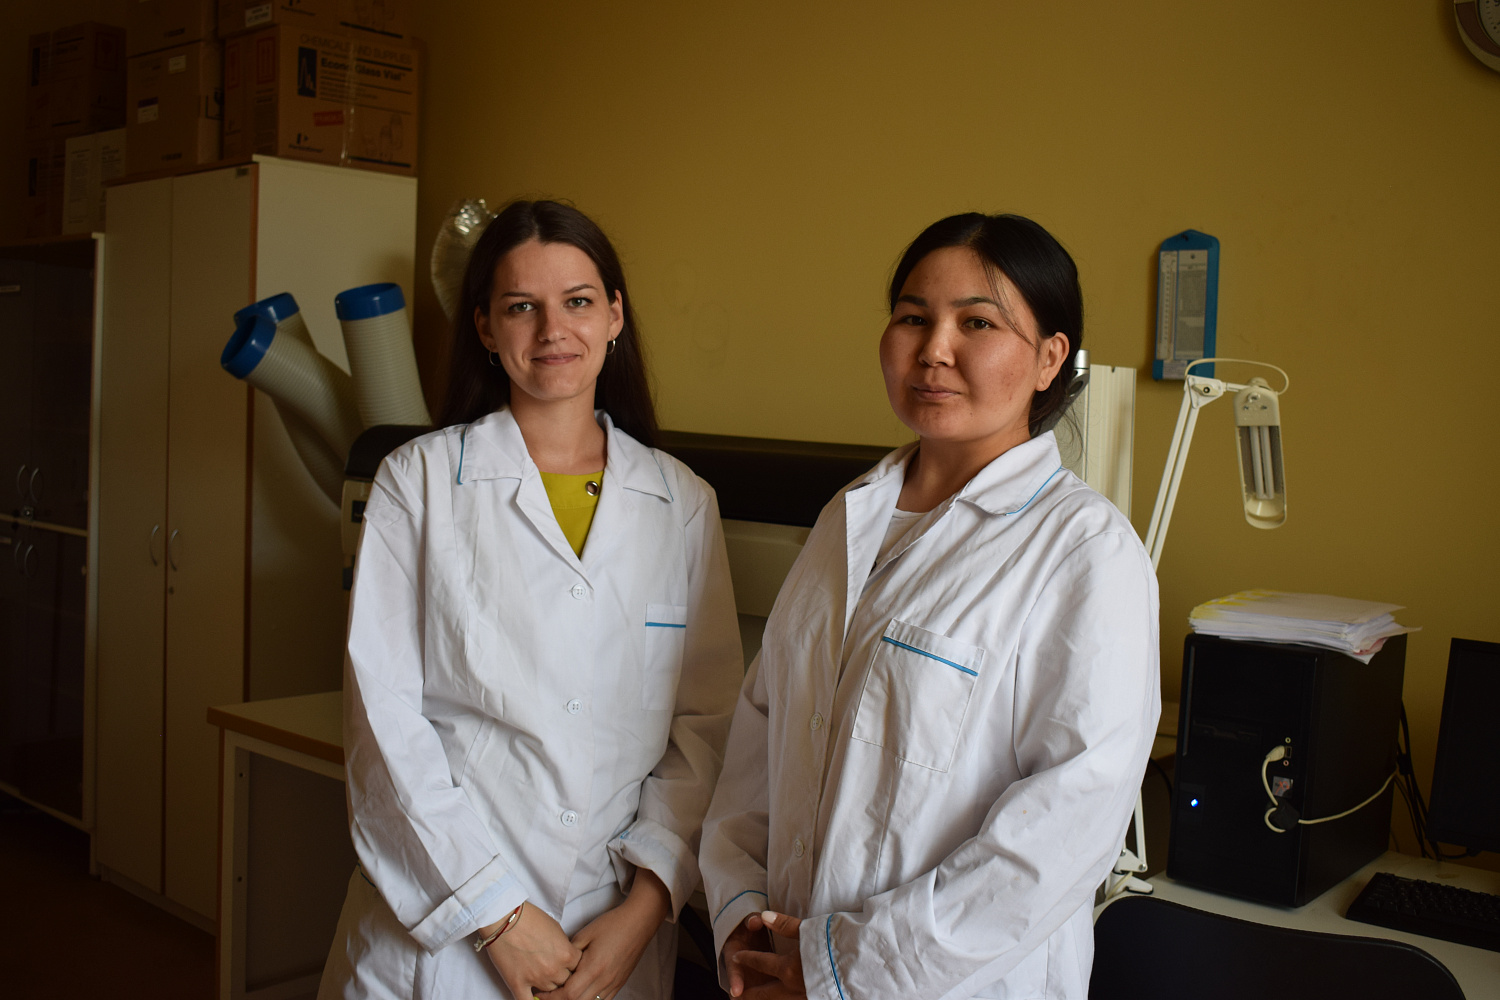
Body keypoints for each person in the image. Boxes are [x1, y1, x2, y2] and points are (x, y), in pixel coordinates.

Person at [698, 212, 1160, 999]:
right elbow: (763, 734)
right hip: (777, 967)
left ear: (1051, 358)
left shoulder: (1086, 552)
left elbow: (1061, 834)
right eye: (913, 317)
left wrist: (841, 968)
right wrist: (741, 915)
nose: (934, 349)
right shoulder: (848, 515)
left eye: (977, 323)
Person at [319, 200, 743, 1000]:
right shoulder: (419, 481)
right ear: (485, 327)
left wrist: (645, 910)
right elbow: (383, 725)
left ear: (614, 316)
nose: (553, 329)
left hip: (610, 934)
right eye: (522, 307)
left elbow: (706, 729)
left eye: (577, 301)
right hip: (449, 932)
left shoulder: (681, 502)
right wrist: (496, 915)